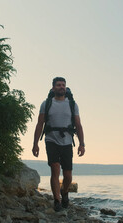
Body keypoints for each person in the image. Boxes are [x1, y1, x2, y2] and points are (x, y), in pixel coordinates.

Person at [32, 77, 85, 212]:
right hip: (51, 140)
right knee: (55, 168)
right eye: (59, 85)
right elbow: (40, 124)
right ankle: (57, 200)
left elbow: (78, 125)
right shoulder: (46, 104)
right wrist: (35, 144)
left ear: (66, 88)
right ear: (53, 88)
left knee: (68, 175)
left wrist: (82, 143)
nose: (61, 87)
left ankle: (64, 191)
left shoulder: (72, 104)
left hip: (67, 141)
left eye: (63, 85)